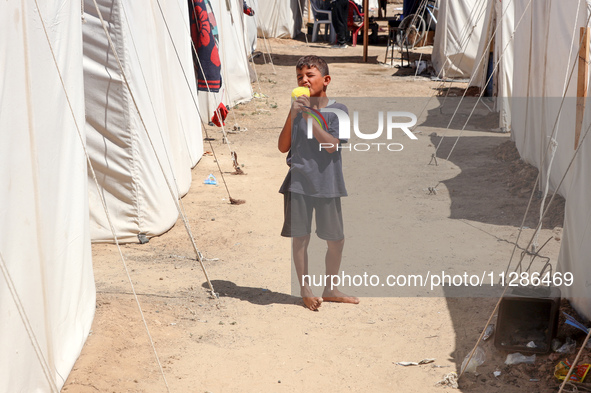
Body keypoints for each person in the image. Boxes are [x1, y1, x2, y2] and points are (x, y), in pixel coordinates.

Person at [278, 55, 359, 311]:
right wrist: (293, 115)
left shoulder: (339, 111)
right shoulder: (297, 112)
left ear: (325, 80)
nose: (304, 80)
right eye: (299, 77)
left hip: (328, 183)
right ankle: (305, 289)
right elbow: (282, 147)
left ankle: (331, 288)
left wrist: (310, 117)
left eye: (309, 76)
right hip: (299, 182)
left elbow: (331, 147)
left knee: (336, 240)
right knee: (301, 238)